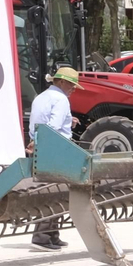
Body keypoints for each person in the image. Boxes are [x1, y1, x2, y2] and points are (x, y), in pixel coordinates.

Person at [28, 66, 83, 251]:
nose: (73, 89)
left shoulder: (41, 97)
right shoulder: (61, 99)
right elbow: (53, 127)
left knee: (51, 190)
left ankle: (52, 234)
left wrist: (69, 120)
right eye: (71, 85)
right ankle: (42, 237)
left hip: (42, 147)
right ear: (60, 82)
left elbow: (40, 122)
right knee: (56, 192)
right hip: (56, 148)